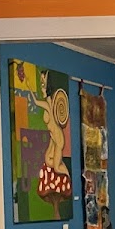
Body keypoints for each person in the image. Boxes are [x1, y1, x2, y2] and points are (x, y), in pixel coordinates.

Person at [31, 69, 72, 210]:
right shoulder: (49, 104)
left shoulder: (49, 104)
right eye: (41, 83)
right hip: (53, 139)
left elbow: (36, 102)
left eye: (43, 84)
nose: (42, 87)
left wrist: (30, 87)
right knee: (48, 162)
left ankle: (68, 176)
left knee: (56, 167)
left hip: (58, 140)